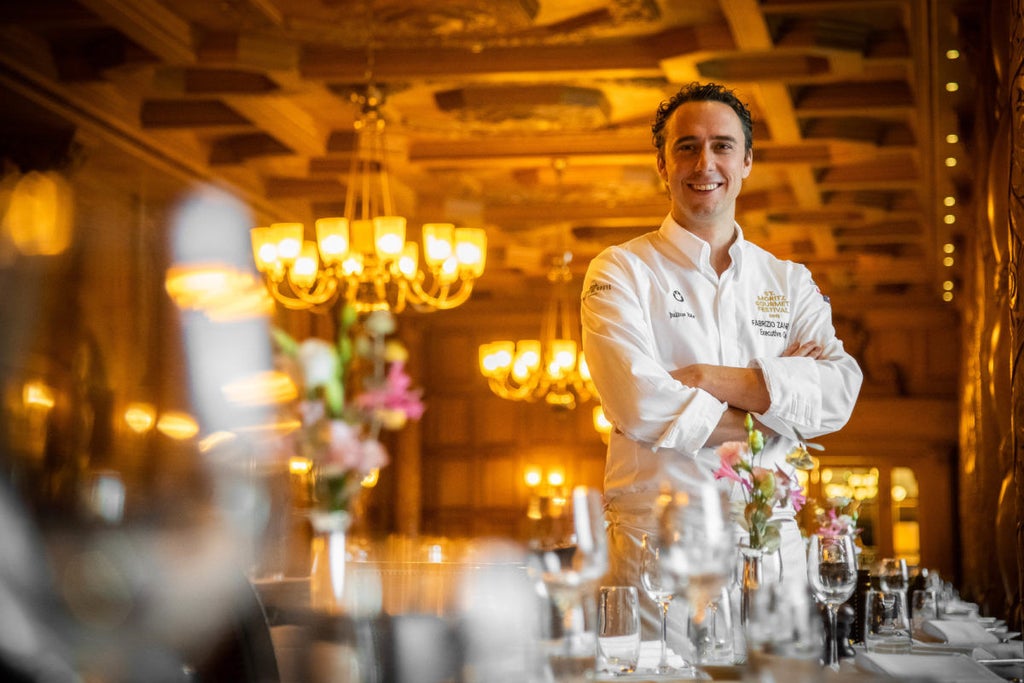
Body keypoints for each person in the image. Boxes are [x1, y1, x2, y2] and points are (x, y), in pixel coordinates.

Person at [580, 82, 863, 646]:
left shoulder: (789, 281)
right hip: (659, 549)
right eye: (686, 146)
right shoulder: (620, 271)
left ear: (748, 161)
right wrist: (780, 412)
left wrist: (707, 380)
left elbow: (837, 395)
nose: (704, 163)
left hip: (774, 548)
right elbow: (638, 401)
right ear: (662, 164)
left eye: (722, 146)